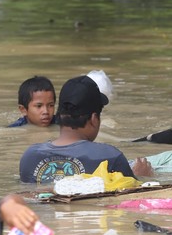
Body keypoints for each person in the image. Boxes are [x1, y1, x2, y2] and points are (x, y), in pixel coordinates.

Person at [20, 75, 153, 184]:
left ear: (59, 113)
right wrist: (140, 178)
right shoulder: (110, 156)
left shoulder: (30, 156)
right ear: (94, 119)